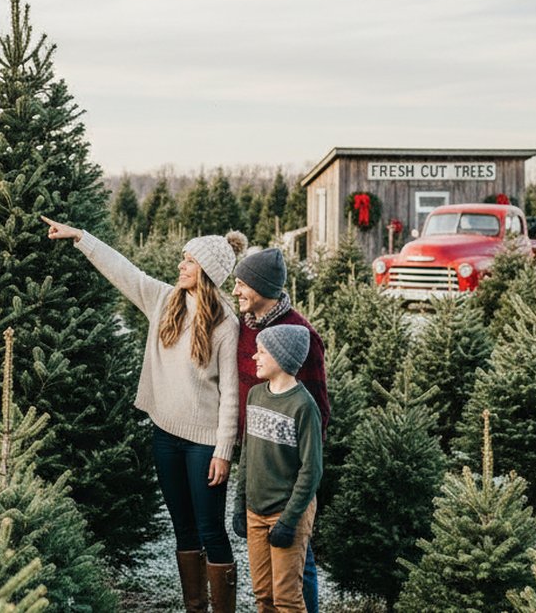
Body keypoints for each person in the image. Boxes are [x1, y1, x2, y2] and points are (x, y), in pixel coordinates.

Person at [42, 216, 244, 613]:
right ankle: (194, 608)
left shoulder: (226, 324)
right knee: (183, 529)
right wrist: (82, 238)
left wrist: (223, 451)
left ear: (207, 272)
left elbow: (232, 394)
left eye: (189, 261)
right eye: (183, 258)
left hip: (205, 444)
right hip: (165, 436)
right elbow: (125, 272)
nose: (181, 266)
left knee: (211, 530)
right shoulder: (164, 301)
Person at [232, 247, 327, 613]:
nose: (236, 291)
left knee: (296, 573)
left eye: (242, 284)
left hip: (288, 474)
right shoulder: (246, 326)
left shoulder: (300, 335)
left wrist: (295, 462)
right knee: (265, 591)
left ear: (262, 287)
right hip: (256, 461)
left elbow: (317, 410)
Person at [244, 325, 323, 613]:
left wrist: (289, 521)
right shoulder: (255, 395)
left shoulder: (303, 406)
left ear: (281, 357)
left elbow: (311, 471)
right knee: (263, 596)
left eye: (262, 351)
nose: (254, 357)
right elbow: (246, 456)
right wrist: (242, 506)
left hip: (286, 514)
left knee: (286, 599)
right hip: (255, 512)